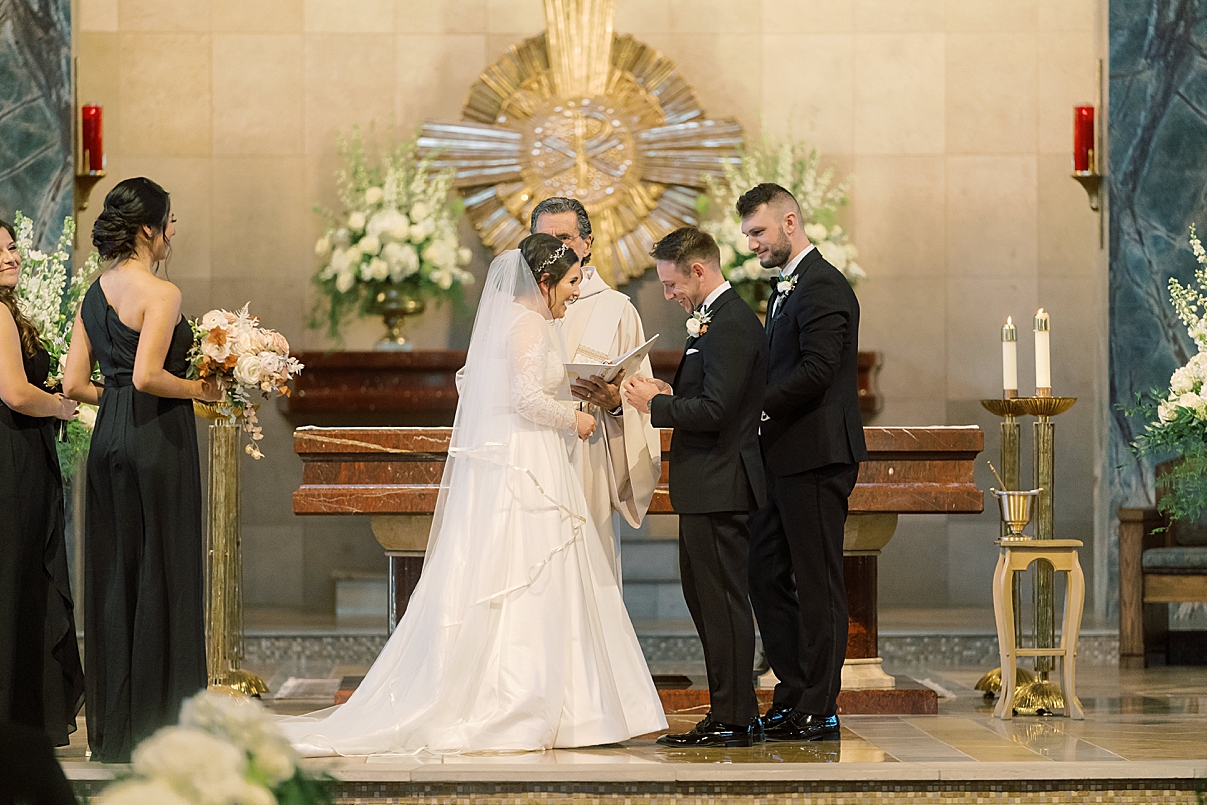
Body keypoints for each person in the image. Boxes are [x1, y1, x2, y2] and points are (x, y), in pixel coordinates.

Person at [281, 233, 666, 756]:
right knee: (526, 570)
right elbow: (524, 397)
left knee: (532, 570)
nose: (576, 293)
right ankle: (535, 701)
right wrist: (570, 417)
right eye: (572, 283)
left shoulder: (513, 320)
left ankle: (560, 701)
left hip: (525, 455)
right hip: (526, 457)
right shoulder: (527, 323)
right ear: (546, 281)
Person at [63, 177, 222, 763]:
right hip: (159, 437)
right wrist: (202, 390)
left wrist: (119, 403)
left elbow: (74, 384)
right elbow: (153, 375)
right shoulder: (162, 292)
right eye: (169, 221)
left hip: (108, 438)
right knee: (166, 569)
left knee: (114, 575)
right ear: (148, 228)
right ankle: (163, 730)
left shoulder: (92, 293)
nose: (173, 232)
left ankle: (114, 734)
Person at [624, 226, 767, 748]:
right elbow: (708, 394)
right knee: (708, 601)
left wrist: (654, 407)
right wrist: (667, 391)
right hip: (708, 485)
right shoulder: (714, 320)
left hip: (722, 484)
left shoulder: (728, 324)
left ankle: (735, 718)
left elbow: (715, 411)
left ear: (699, 271)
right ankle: (729, 711)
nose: (669, 294)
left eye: (671, 284)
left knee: (724, 604)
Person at [738, 183, 867, 742]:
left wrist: (748, 405)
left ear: (790, 223)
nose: (752, 245)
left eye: (759, 232)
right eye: (747, 236)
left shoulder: (823, 286)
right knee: (763, 573)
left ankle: (820, 703)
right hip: (783, 456)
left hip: (816, 455)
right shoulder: (787, 288)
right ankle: (792, 691)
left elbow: (818, 370)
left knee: (817, 583)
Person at [531, 197, 661, 584]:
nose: (556, 248)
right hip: (528, 458)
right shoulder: (515, 306)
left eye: (566, 238)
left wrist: (617, 404)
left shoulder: (616, 310)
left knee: (583, 577)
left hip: (588, 459)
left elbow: (641, 396)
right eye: (545, 238)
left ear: (587, 244)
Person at [0, 218, 85, 749]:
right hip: (12, 461)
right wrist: (61, 406)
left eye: (11, 246)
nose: (11, 255)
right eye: (0, 249)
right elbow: (13, 392)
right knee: (16, 583)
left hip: (18, 458)